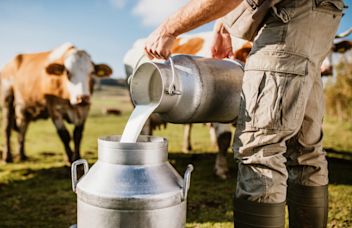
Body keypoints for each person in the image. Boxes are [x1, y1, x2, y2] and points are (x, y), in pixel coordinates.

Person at [144, 0, 344, 227]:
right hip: (316, 16)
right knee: (303, 148)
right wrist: (222, 26)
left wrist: (168, 28)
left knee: (260, 148)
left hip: (287, 17)